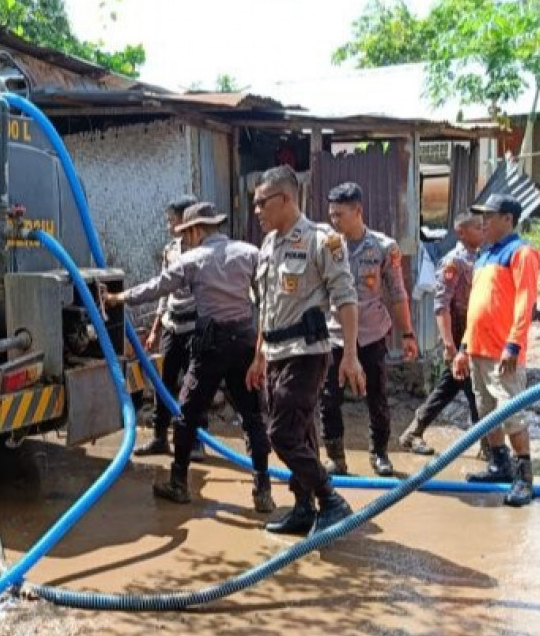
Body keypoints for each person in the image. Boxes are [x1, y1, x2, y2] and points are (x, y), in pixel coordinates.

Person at [104, 202, 275, 513]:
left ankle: (179, 483)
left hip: (210, 344)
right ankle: (263, 490)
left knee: (187, 413)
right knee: (252, 417)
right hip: (246, 344)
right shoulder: (250, 253)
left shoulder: (192, 259)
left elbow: (156, 288)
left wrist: (118, 298)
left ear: (196, 231)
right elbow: (267, 298)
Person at [247, 166, 364, 536]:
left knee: (281, 434)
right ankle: (303, 506)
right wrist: (258, 354)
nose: (257, 211)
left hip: (308, 352)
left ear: (285, 199)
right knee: (303, 431)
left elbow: (346, 297)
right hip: (277, 353)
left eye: (262, 203)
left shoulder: (321, 240)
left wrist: (350, 355)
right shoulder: (268, 245)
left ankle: (331, 500)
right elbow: (265, 305)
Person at [319, 182, 419, 477]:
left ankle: (380, 454)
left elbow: (398, 293)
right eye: (331, 215)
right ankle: (336, 457)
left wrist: (408, 334)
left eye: (339, 215)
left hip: (372, 333)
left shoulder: (383, 247)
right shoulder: (327, 246)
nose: (333, 221)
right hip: (335, 335)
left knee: (377, 396)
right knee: (328, 398)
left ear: (357, 211)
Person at [451, 193, 540, 507]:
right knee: (487, 412)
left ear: (508, 218)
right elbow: (477, 306)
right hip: (478, 348)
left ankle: (523, 477)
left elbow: (525, 302)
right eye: (482, 216)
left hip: (503, 351)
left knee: (512, 412)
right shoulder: (486, 254)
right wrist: (463, 348)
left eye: (489, 216)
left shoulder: (521, 253)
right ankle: (499, 464)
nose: (483, 222)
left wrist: (514, 344)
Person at [398, 212, 485, 457]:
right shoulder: (453, 262)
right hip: (459, 335)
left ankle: (414, 432)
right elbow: (441, 306)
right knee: (474, 389)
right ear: (461, 232)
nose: (483, 231)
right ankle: (489, 445)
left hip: (472, 334)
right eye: (477, 228)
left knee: (452, 386)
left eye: (483, 227)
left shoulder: (480, 258)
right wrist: (449, 345)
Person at [139, 194, 208, 461]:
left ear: (186, 219)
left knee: (195, 385)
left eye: (172, 220)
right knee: (163, 382)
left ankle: (197, 441)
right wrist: (156, 328)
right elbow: (164, 292)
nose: (169, 225)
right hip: (172, 324)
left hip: (196, 326)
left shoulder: (205, 252)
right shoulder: (171, 250)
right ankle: (159, 437)